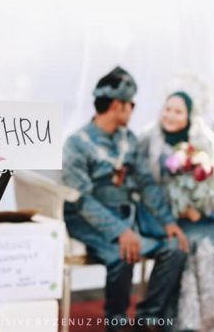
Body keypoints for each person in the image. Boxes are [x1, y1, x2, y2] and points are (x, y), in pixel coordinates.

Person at [62, 67, 189, 332]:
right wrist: (121, 232)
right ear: (118, 105)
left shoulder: (128, 140)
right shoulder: (76, 144)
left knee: (174, 248)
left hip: (127, 215)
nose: (132, 109)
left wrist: (167, 222)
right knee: (122, 255)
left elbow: (147, 184)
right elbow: (82, 199)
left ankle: (147, 319)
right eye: (131, 104)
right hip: (88, 218)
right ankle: (116, 322)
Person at [138, 91, 214, 331]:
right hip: (164, 215)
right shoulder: (148, 141)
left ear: (189, 116)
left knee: (207, 248)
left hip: (199, 216)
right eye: (167, 109)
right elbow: (144, 187)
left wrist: (196, 209)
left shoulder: (202, 143)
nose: (171, 115)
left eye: (178, 111)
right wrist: (174, 210)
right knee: (185, 245)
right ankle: (184, 318)